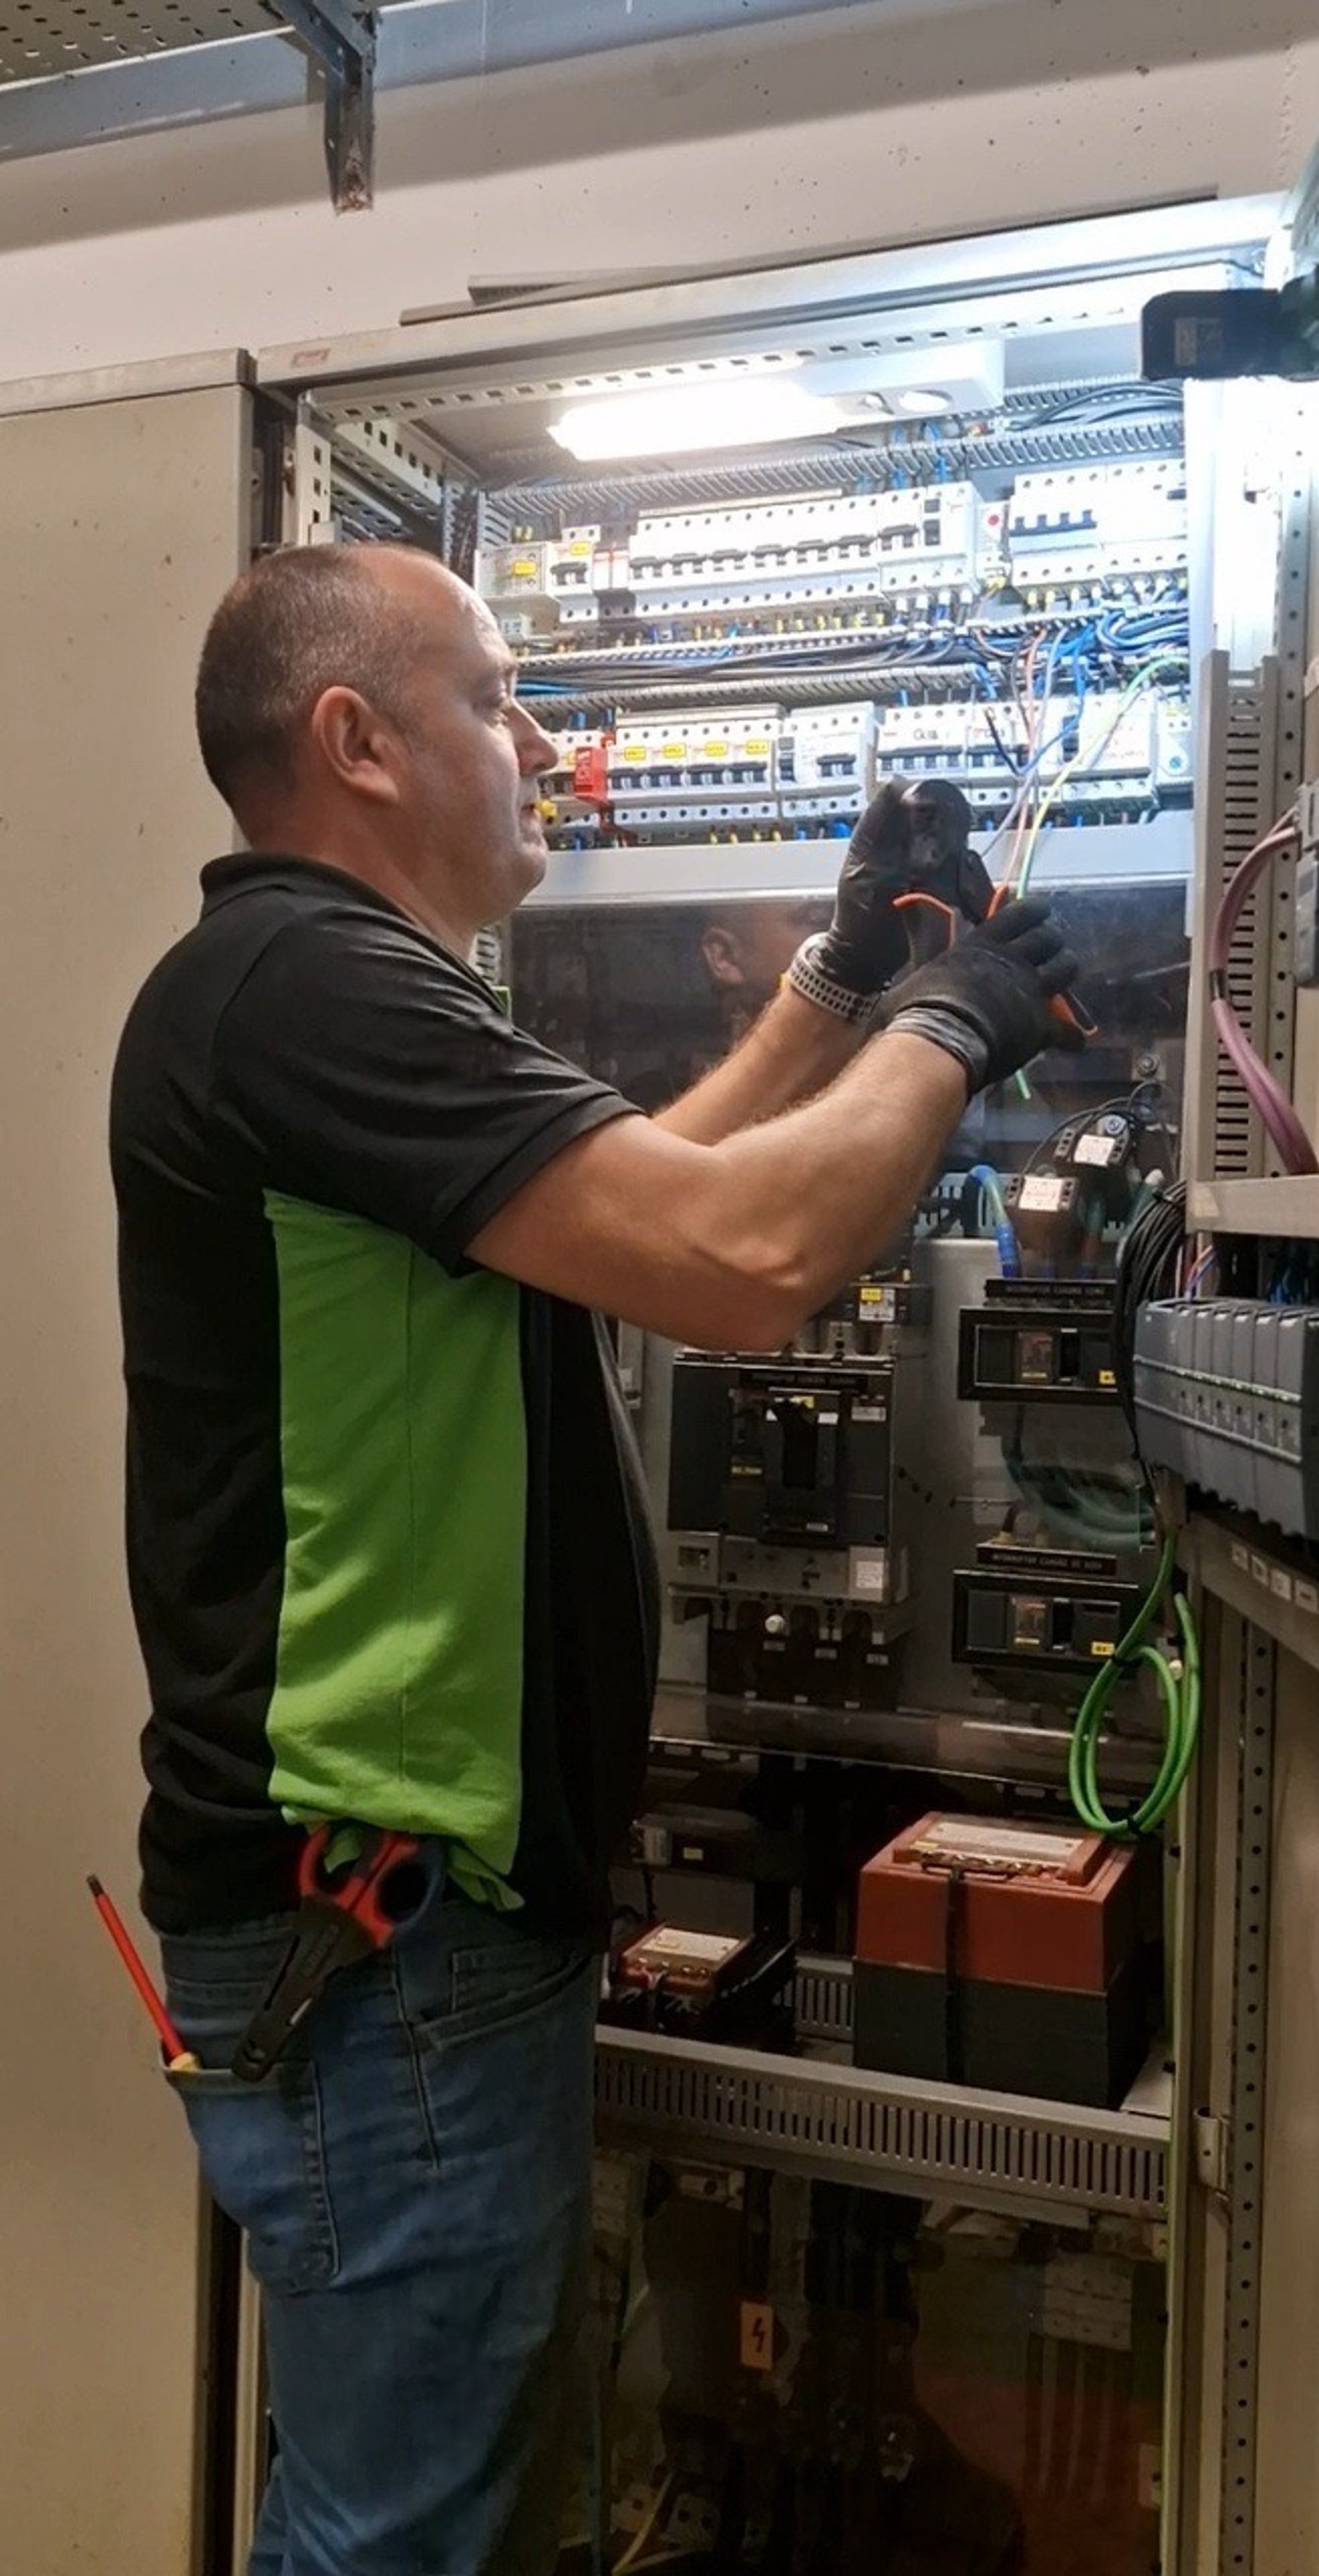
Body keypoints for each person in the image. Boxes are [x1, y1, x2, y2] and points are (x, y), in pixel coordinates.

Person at [109, 543, 1079, 2576]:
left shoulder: (341, 995)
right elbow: (742, 1261)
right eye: (493, 696)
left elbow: (670, 1195)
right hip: (381, 1928)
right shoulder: (307, 985)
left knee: (430, 2511)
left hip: (401, 1927)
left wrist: (833, 981)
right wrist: (958, 1017)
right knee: (398, 2539)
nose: (546, 744)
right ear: (356, 744)